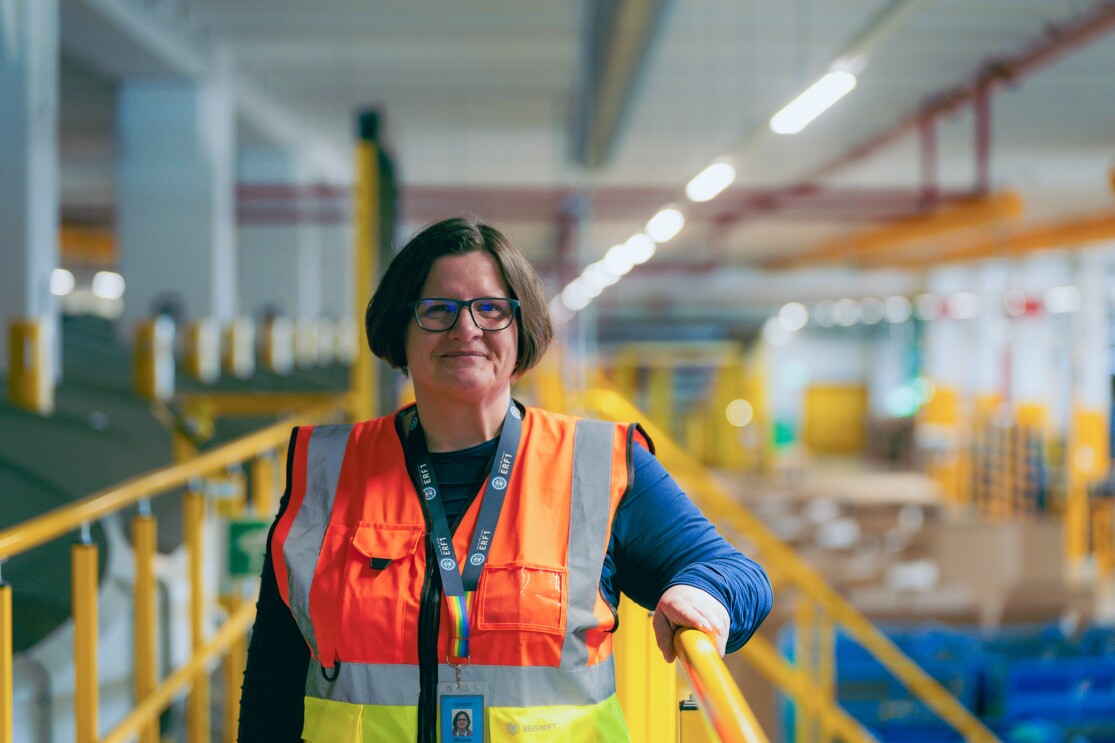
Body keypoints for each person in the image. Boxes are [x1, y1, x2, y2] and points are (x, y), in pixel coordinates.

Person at [238, 216, 773, 742]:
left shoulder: (597, 463)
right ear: (400, 330)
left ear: (522, 331)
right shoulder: (326, 470)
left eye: (490, 309)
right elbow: (273, 681)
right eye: (437, 310)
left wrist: (706, 592)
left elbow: (737, 574)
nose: (465, 328)